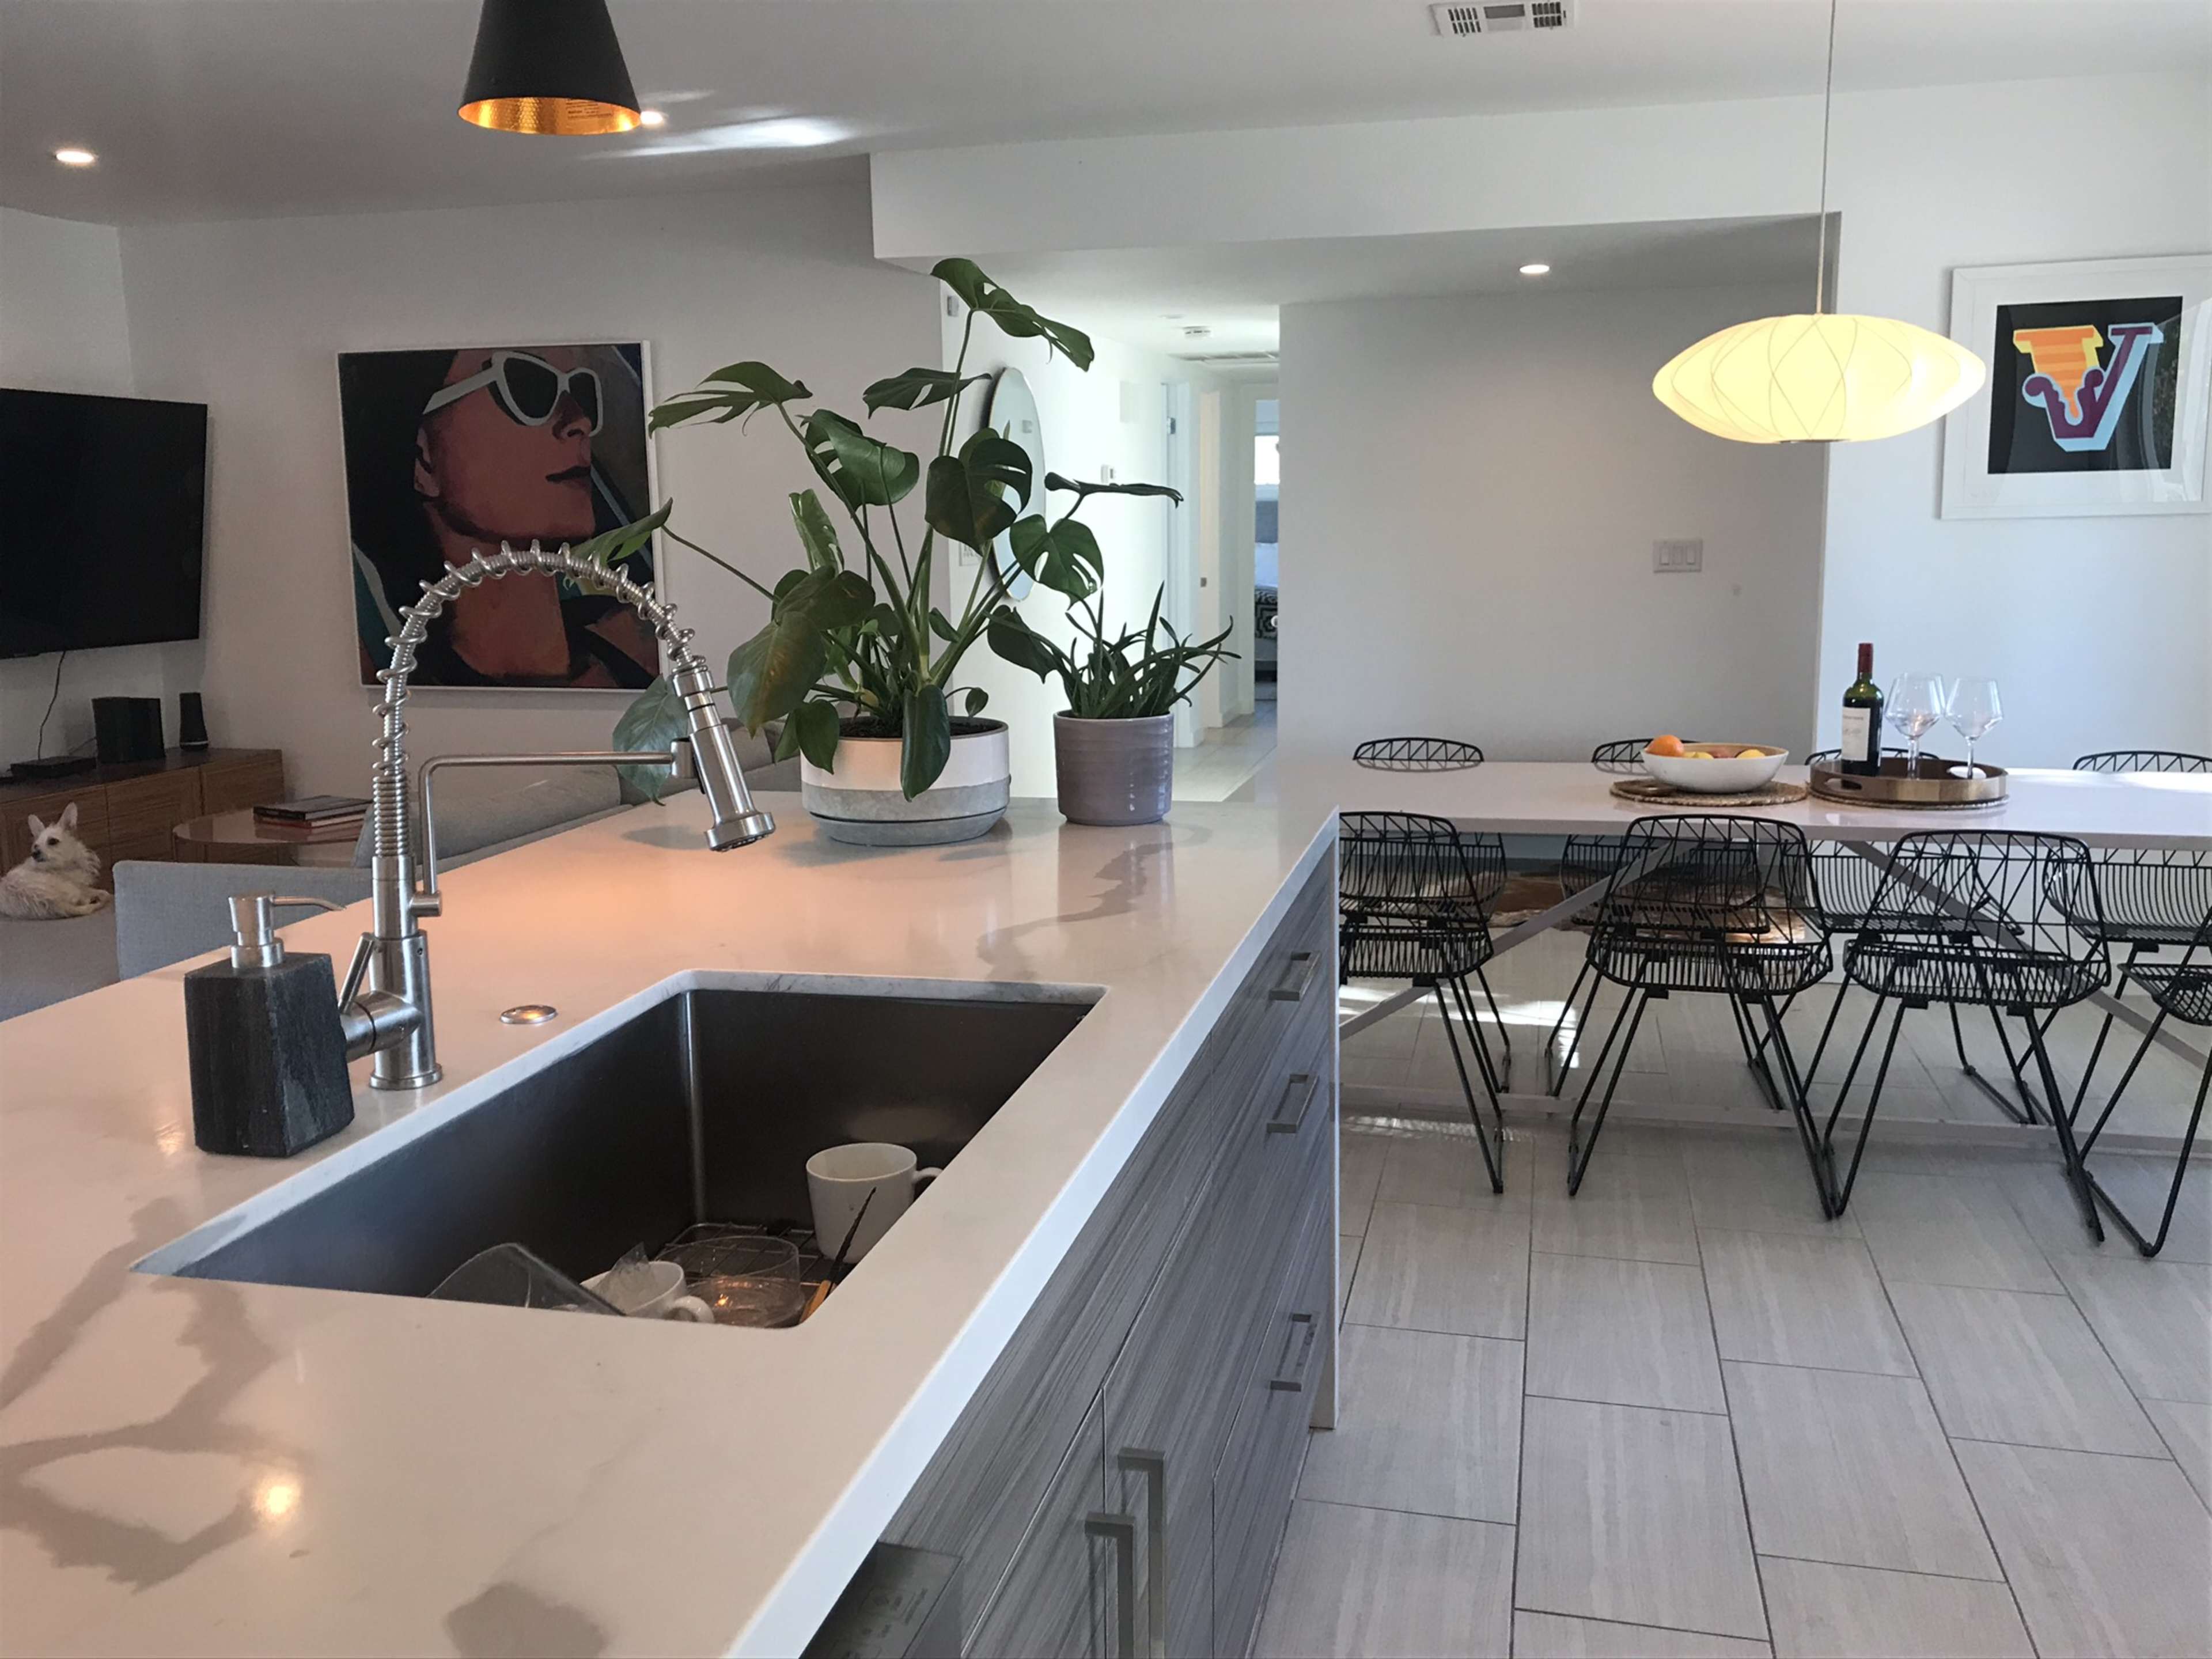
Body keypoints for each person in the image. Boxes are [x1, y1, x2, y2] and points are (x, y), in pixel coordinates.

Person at [343, 344, 657, 688]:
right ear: (423, 459)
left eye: (581, 391)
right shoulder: (390, 682)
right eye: (528, 386)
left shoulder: (638, 637)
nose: (579, 422)